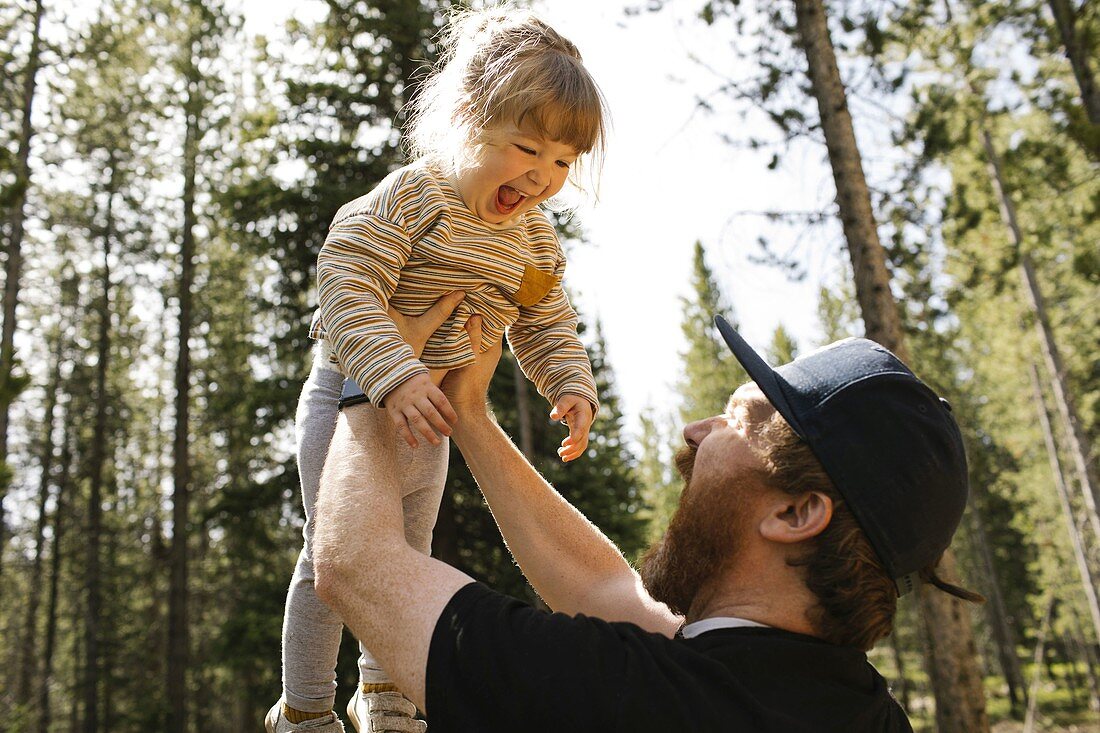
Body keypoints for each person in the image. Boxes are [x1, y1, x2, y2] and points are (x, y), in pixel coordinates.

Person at [311, 299, 983, 733]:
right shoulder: (848, 706)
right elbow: (606, 591)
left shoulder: (640, 704)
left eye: (739, 418)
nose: (694, 430)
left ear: (797, 510)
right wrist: (474, 419)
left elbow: (356, 566)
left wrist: (373, 367)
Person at [267, 7, 607, 733]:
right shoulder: (413, 198)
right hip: (352, 396)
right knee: (333, 554)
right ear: (468, 117)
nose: (543, 177)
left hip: (433, 415)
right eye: (526, 148)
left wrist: (569, 382)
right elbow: (346, 276)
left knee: (406, 555)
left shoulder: (534, 240)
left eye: (562, 162)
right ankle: (303, 707)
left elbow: (546, 319)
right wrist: (392, 372)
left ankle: (384, 691)